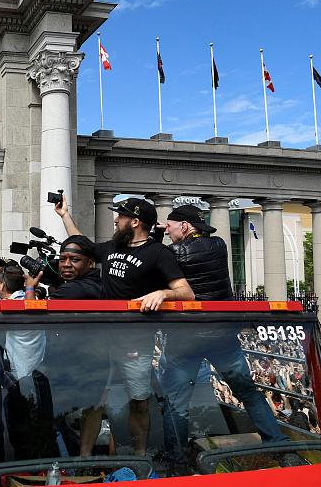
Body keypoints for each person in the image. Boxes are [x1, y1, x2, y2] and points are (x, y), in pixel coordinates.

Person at [55, 194, 194, 457]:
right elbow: (81, 242)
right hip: (101, 341)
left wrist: (162, 294)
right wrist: (65, 216)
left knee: (139, 403)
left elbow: (186, 292)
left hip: (135, 342)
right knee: (93, 404)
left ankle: (140, 458)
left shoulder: (158, 253)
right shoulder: (111, 248)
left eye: (120, 216)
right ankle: (84, 459)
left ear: (135, 222)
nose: (116, 219)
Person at [156, 205, 288, 463]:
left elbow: (154, 260)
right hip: (223, 335)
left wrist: (155, 237)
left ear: (183, 226)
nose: (168, 233)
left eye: (170, 228)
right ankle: (279, 443)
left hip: (186, 339)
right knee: (248, 392)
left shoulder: (170, 253)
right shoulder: (219, 245)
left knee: (177, 401)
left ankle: (176, 457)